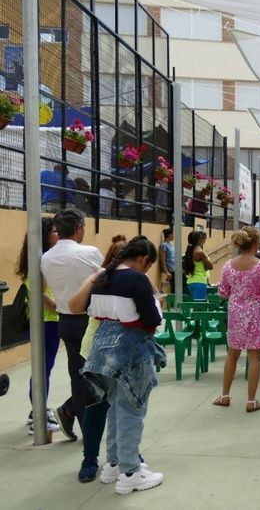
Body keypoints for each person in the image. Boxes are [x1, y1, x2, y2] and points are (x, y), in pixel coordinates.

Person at [79, 236, 166, 495]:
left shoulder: (102, 277)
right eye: (148, 265)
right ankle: (130, 472)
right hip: (130, 347)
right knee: (132, 409)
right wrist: (156, 304)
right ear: (143, 259)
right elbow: (152, 318)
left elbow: (91, 309)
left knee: (115, 406)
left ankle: (114, 463)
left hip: (101, 347)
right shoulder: (137, 279)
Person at [41, 208, 104, 442]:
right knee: (102, 375)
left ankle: (81, 422)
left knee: (77, 376)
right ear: (79, 229)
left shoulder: (46, 258)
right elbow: (108, 278)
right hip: (91, 320)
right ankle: (70, 411)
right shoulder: (90, 253)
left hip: (65, 321)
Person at [72, 235, 128, 482]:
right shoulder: (99, 278)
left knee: (113, 407)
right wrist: (94, 278)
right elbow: (75, 306)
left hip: (113, 352)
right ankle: (94, 458)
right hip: (98, 353)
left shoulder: (133, 280)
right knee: (103, 407)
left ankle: (117, 456)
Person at [214, 227, 260, 412]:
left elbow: (223, 292)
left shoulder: (228, 265)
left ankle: (225, 395)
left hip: (235, 313)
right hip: (257, 313)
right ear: (256, 243)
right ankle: (251, 400)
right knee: (254, 357)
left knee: (232, 353)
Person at [16, 217, 62, 435]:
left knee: (42, 369)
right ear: (45, 236)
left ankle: (37, 410)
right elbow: (41, 294)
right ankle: (39, 417)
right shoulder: (42, 261)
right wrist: (60, 307)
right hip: (47, 322)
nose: (58, 234)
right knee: (43, 370)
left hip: (44, 321)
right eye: (54, 231)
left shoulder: (38, 258)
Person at [182, 231, 212, 300]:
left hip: (190, 281)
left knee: (194, 304)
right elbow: (210, 266)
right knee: (199, 305)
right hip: (199, 282)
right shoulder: (200, 253)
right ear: (199, 240)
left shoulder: (189, 251)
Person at [158, 228, 174, 294]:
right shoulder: (164, 245)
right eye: (173, 234)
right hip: (170, 269)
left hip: (174, 268)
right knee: (173, 289)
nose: (173, 236)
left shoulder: (170, 244)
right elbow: (163, 259)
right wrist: (166, 272)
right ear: (170, 235)